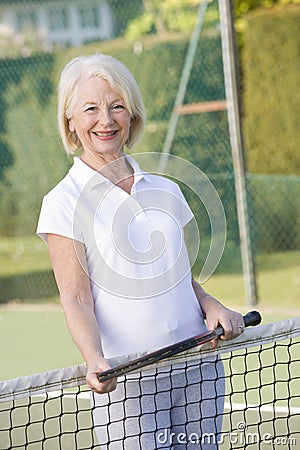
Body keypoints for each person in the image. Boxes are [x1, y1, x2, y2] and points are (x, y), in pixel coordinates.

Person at [37, 53, 245, 449]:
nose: (106, 119)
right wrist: (94, 357)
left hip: (198, 367)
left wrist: (213, 307)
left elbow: (182, 280)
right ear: (71, 123)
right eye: (91, 109)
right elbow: (76, 297)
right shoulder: (62, 202)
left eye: (117, 106)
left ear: (132, 116)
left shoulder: (165, 190)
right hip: (129, 380)